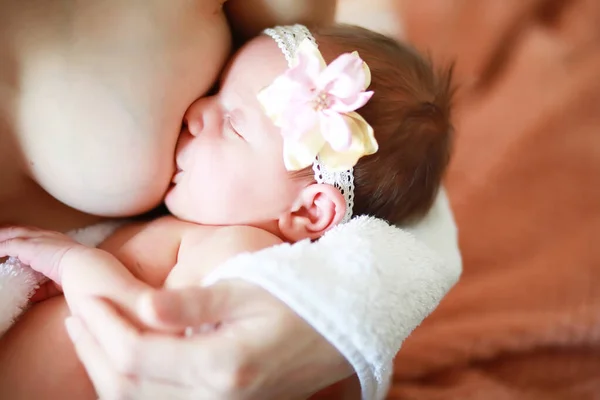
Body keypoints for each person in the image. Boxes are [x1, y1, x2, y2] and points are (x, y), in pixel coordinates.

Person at [0, 2, 461, 399]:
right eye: (215, 89)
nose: (197, 112)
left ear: (309, 210)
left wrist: (69, 263)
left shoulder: (241, 255)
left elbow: (146, 334)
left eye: (235, 125)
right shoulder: (204, 233)